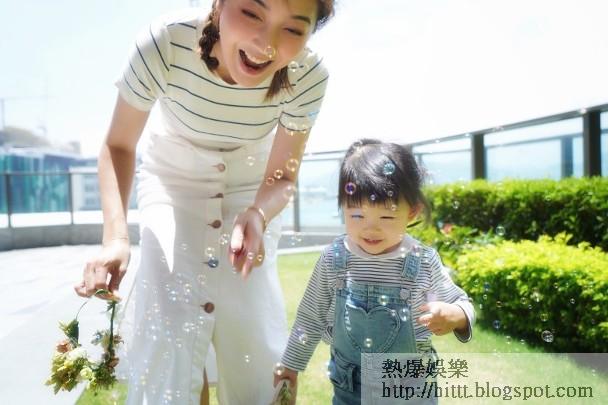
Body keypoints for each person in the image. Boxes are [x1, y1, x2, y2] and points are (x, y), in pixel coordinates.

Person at [74, 0, 334, 403]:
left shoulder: (309, 74)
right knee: (172, 332)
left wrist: (258, 214)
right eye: (252, 13)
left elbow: (282, 177)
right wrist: (116, 239)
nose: (266, 43)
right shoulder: (166, 40)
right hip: (173, 178)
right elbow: (118, 144)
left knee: (250, 331)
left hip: (251, 186)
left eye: (293, 29)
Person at [274, 139, 476, 404]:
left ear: (412, 212)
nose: (370, 229)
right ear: (343, 207)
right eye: (357, 216)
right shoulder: (334, 259)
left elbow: (463, 303)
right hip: (349, 390)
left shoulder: (422, 261)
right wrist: (290, 366)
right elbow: (310, 318)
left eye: (386, 217)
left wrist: (456, 315)